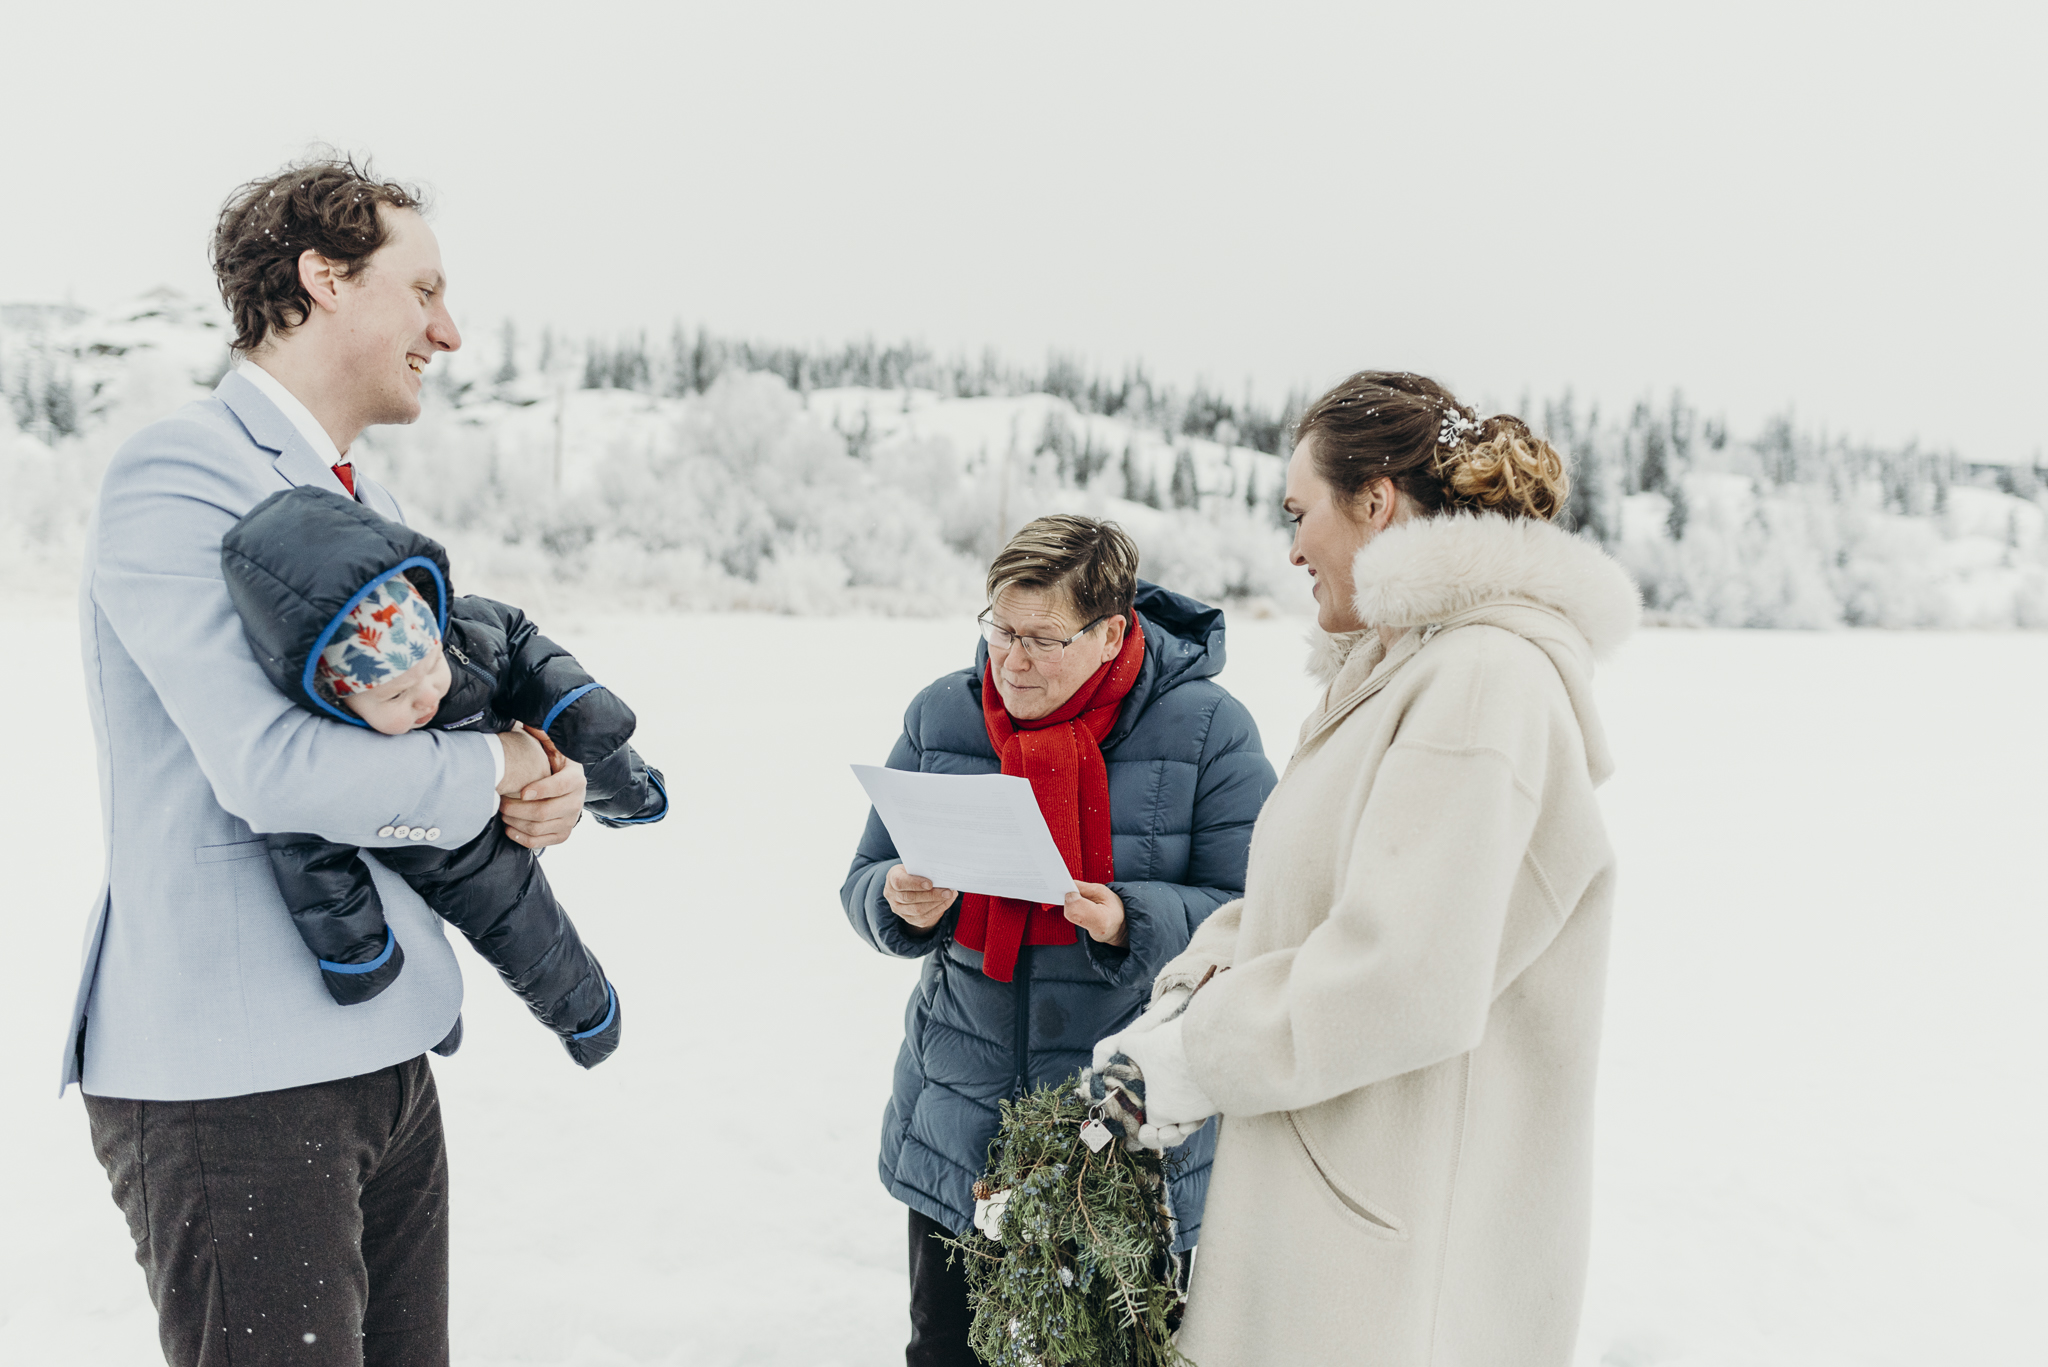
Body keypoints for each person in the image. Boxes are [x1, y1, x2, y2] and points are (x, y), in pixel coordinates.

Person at [62, 157, 591, 1366]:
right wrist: (495, 764)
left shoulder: (362, 491)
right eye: (424, 291)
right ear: (322, 280)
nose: (448, 332)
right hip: (234, 1077)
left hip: (379, 1049)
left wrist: (530, 782)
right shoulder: (179, 473)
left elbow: (414, 746)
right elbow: (271, 767)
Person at [1083, 372, 1641, 1365]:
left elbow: (1403, 971)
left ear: (1374, 500)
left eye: (1302, 512)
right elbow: (1309, 899)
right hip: (1337, 1230)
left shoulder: (1479, 683)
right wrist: (1188, 997)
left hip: (1394, 1278)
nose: (1291, 546)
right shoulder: (1399, 672)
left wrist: (1199, 1055)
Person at [841, 515, 1277, 1366]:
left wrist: (1131, 919)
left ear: (1113, 631)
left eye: (1044, 637)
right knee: (948, 1349)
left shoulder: (1207, 731)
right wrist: (899, 901)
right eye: (1001, 629)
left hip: (1117, 1134)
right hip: (958, 1115)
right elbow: (866, 877)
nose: (1014, 660)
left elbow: (1257, 912)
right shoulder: (945, 715)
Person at [218, 484, 670, 1060]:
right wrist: (359, 952)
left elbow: (524, 642)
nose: (428, 693)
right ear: (337, 701)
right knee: (519, 921)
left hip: (508, 730)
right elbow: (304, 850)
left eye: (428, 662)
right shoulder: (329, 755)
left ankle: (635, 793)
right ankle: (583, 1019)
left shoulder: (465, 640)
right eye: (397, 693)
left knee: (588, 734)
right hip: (445, 852)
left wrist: (573, 701)